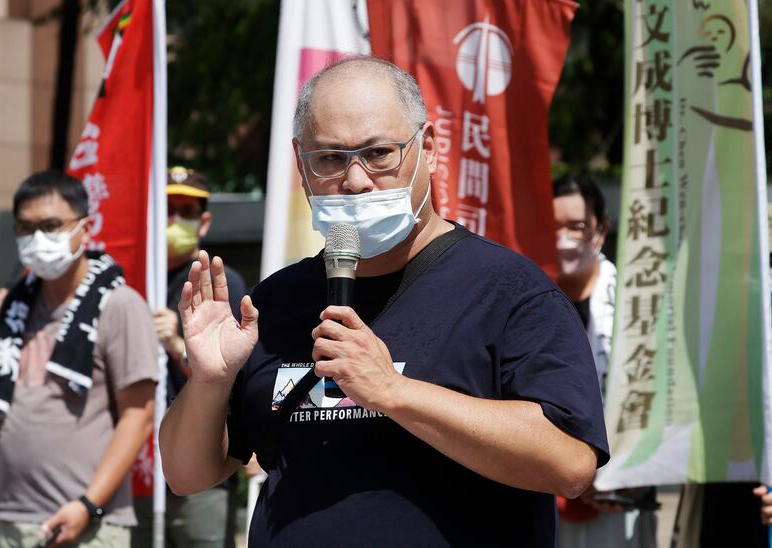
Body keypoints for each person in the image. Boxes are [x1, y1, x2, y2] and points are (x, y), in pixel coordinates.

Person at [159, 56, 610, 547]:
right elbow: (187, 475)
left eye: (378, 153)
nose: (355, 180)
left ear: (429, 149)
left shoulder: (509, 293)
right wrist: (209, 380)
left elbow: (569, 463)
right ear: (301, 164)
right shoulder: (276, 301)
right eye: (329, 159)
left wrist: (394, 392)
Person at [0, 171, 158, 547]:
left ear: (85, 229)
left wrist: (88, 504)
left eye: (51, 225)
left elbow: (138, 417)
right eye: (25, 228)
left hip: (83, 525)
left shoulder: (118, 305)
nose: (38, 239)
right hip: (5, 520)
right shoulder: (12, 307)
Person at [131, 167, 246, 548]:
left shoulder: (216, 283)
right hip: (138, 468)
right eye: (166, 208)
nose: (173, 219)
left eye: (186, 211)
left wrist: (177, 344)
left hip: (201, 470)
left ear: (204, 221)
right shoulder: (132, 281)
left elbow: (231, 378)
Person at [553, 175, 658, 547]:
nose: (563, 238)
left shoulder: (638, 305)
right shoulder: (530, 298)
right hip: (548, 490)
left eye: (576, 227)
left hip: (621, 496)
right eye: (554, 227)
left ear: (601, 231)